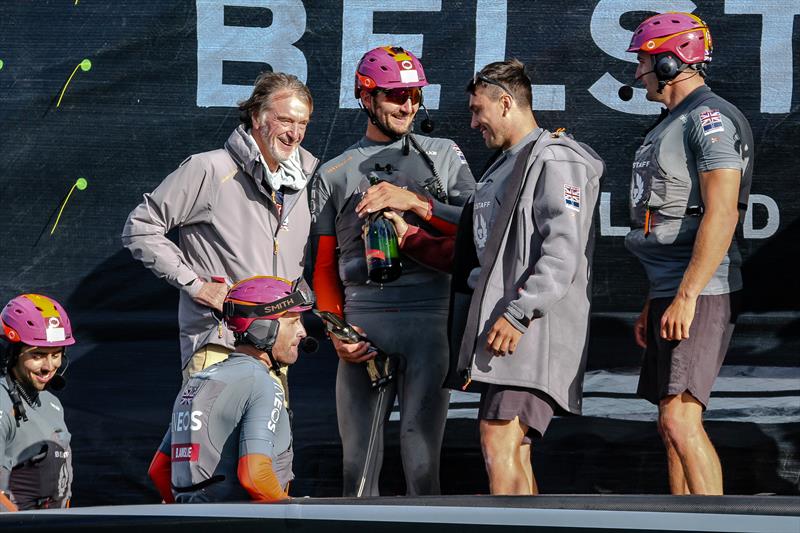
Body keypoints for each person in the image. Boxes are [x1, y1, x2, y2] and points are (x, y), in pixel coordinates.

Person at [385, 59, 603, 495]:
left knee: (497, 437)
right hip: (508, 334)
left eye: (478, 110)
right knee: (514, 449)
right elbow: (477, 234)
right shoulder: (507, 163)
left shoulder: (555, 158)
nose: (473, 122)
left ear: (506, 103)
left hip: (528, 334)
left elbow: (564, 250)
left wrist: (521, 313)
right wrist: (413, 219)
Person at [310, 46, 475, 496]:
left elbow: (479, 228)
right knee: (356, 468)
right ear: (366, 97)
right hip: (364, 328)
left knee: (423, 462)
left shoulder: (442, 154)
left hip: (431, 322)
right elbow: (323, 266)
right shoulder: (333, 171)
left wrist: (415, 202)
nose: (408, 107)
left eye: (415, 97)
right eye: (395, 96)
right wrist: (336, 329)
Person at [624, 12, 753, 495]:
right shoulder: (672, 122)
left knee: (681, 419)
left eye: (643, 61)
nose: (638, 73)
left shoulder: (709, 119)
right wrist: (658, 298)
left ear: (672, 60)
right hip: (672, 290)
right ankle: (681, 521)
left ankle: (718, 527)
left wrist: (687, 296)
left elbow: (722, 213)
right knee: (668, 422)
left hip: (700, 291)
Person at [122, 72, 318, 386]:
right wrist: (196, 285)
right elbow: (140, 228)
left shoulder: (300, 184)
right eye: (284, 120)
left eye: (302, 123)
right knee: (211, 437)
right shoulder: (210, 169)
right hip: (220, 345)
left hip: (274, 351)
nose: (294, 134)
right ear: (256, 116)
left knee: (269, 437)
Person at [147, 276, 312, 503]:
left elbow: (159, 470)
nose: (303, 332)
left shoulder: (196, 382)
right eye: (293, 322)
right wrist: (292, 515)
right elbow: (255, 476)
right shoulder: (262, 383)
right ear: (264, 327)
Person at [0, 294, 75, 511]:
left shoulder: (52, 404)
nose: (48, 367)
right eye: (39, 355)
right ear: (13, 354)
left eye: (56, 354)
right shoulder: (3, 405)